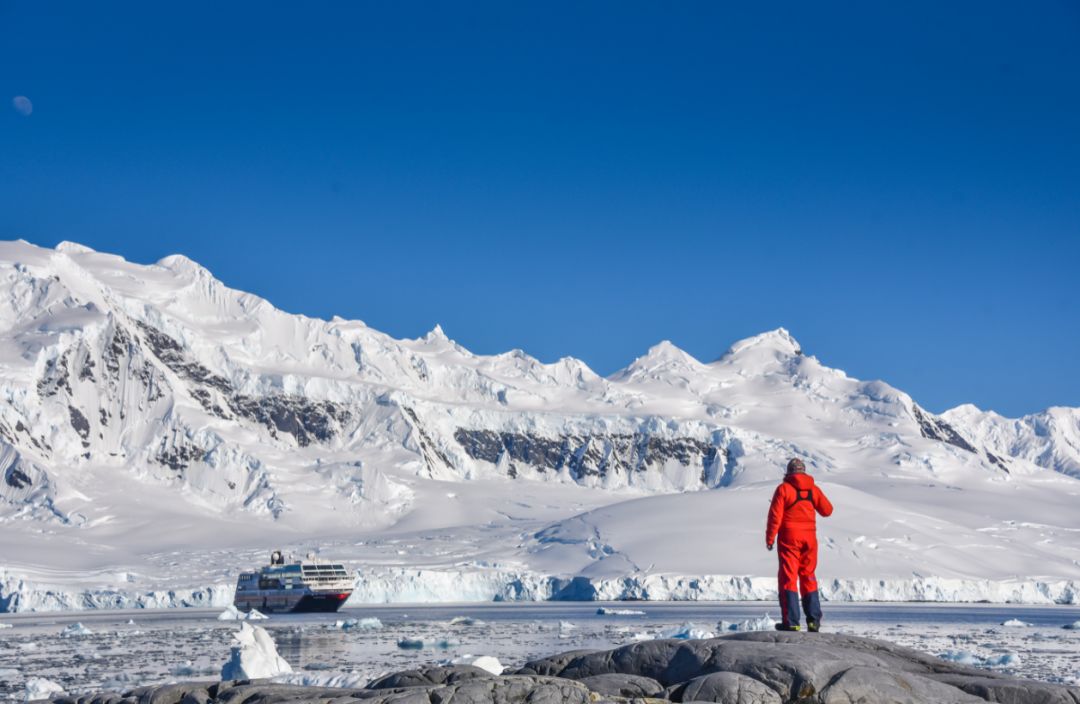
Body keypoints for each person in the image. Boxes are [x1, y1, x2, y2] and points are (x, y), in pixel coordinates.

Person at [765, 457, 833, 631]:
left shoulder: (783, 489)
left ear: (788, 472)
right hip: (809, 540)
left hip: (789, 538)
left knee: (788, 578)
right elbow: (827, 510)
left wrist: (770, 538)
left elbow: (775, 516)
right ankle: (813, 621)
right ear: (804, 471)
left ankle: (792, 622)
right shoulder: (813, 489)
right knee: (808, 576)